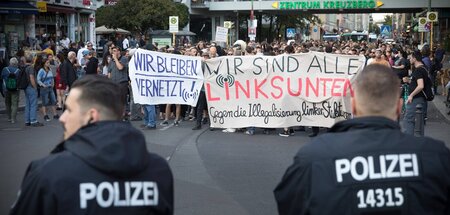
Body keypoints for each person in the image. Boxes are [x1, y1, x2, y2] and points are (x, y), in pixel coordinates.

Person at [274, 64, 450, 215]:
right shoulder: (436, 158)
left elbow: (289, 205)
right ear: (398, 107)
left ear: (354, 106)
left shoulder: (313, 158)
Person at [10, 75, 174, 215]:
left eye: (69, 110)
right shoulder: (158, 171)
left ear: (91, 116)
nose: (62, 118)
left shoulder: (48, 173)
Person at [402, 51, 427, 135]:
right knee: (419, 122)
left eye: (410, 58)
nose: (409, 59)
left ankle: (408, 142)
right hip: (421, 99)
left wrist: (411, 96)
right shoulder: (423, 68)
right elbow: (418, 83)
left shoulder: (418, 70)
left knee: (408, 120)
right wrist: (409, 80)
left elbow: (420, 86)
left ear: (414, 58)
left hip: (416, 99)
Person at [1, 57, 21, 123]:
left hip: (6, 89)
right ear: (16, 63)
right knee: (14, 104)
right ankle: (13, 119)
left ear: (10, 62)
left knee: (7, 103)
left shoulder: (5, 69)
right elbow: (19, 80)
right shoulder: (18, 70)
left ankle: (9, 117)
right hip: (15, 89)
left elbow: (1, 77)